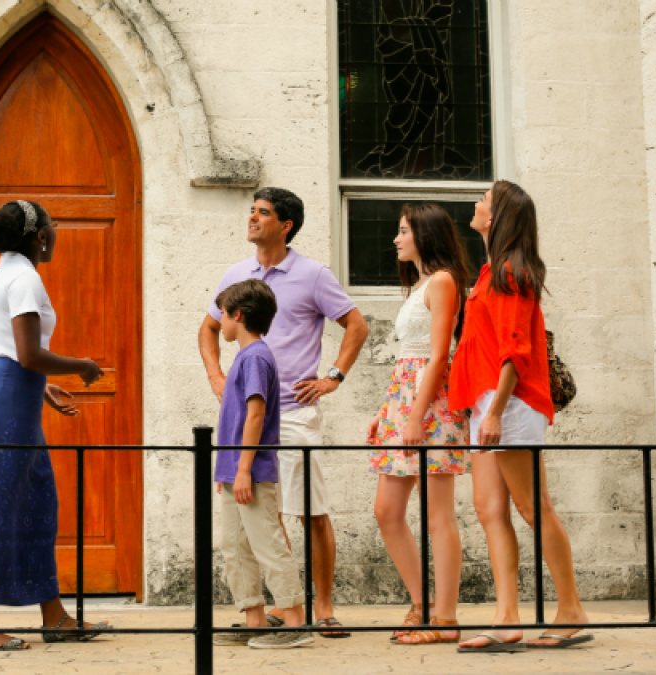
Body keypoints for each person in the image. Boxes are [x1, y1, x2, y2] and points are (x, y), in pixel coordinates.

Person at [200, 187, 369, 637]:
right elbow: (209, 327)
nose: (253, 218)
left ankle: (324, 607)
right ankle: (279, 608)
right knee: (262, 514)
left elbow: (357, 323)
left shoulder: (313, 274)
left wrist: (334, 376)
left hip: (293, 413)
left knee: (310, 511)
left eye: (263, 213)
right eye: (252, 211)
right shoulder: (237, 274)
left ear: (285, 224)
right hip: (251, 415)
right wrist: (217, 377)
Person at [0, 200, 111, 651]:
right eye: (53, 226)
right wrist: (80, 366)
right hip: (5, 395)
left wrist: (37, 389)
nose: (55, 233)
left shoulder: (1, 275)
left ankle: (54, 616)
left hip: (2, 392)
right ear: (40, 237)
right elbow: (27, 354)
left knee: (35, 499)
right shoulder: (23, 278)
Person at [448, 181, 593, 652]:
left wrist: (492, 412)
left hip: (505, 404)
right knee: (490, 511)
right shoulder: (494, 271)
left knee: (534, 507)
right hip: (487, 405)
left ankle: (570, 609)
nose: (476, 205)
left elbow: (516, 352)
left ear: (497, 217)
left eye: (484, 201)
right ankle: (506, 618)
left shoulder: (511, 273)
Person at [366, 204, 471, 645]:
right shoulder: (419, 284)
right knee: (387, 511)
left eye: (404, 231)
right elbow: (408, 356)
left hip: (431, 406)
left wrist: (413, 416)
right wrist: (386, 411)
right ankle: (422, 604)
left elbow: (439, 355)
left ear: (425, 235)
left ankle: (444, 618)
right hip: (405, 401)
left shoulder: (444, 281)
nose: (396, 239)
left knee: (438, 514)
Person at [209, 280, 313, 650]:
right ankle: (254, 617)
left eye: (222, 313)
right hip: (234, 471)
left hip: (249, 472)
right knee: (234, 547)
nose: (219, 321)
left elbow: (256, 415)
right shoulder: (246, 356)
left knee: (267, 543)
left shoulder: (254, 357)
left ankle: (295, 620)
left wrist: (242, 470)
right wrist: (228, 470)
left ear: (238, 315)